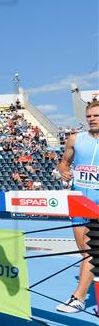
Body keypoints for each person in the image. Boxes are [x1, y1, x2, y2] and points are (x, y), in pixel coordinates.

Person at [55, 99, 99, 313]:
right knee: (86, 252)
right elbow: (64, 162)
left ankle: (79, 297)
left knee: (92, 251)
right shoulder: (75, 139)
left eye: (96, 115)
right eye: (89, 116)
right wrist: (63, 170)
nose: (92, 119)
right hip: (79, 203)